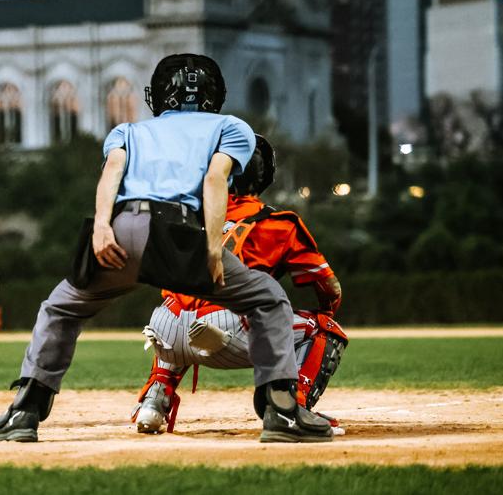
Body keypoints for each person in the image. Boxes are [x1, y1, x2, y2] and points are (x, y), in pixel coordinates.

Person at [0, 53, 333, 443]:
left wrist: (101, 226)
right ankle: (281, 412)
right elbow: (215, 182)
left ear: (160, 94)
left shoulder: (128, 131)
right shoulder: (231, 127)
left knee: (60, 307)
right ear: (215, 93)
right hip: (177, 233)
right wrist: (214, 246)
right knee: (268, 299)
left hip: (121, 228)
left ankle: (24, 410)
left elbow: (111, 174)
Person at [132, 135, 348, 435]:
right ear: (264, 176)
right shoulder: (280, 222)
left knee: (184, 301)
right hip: (226, 329)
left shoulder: (189, 216)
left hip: (164, 328)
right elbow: (328, 287)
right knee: (324, 329)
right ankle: (289, 408)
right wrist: (326, 310)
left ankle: (154, 401)